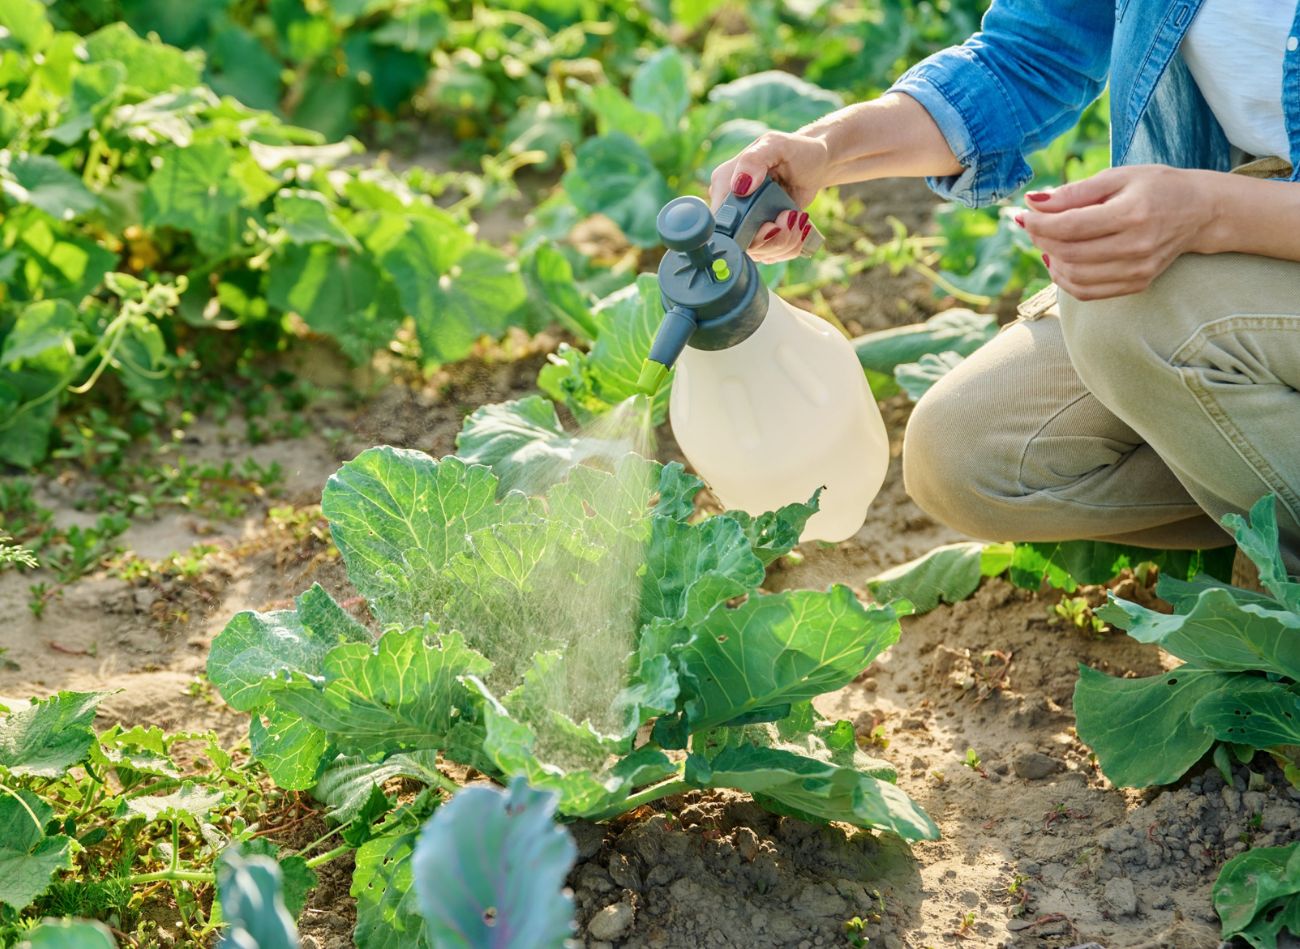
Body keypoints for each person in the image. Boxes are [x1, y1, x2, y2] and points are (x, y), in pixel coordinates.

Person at [711, 0, 1300, 574]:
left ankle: (1279, 570)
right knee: (969, 453)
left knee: (1126, 318)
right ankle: (1266, 523)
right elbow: (1032, 53)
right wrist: (824, 150)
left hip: (1255, 223)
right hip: (1250, 225)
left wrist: (1208, 213)